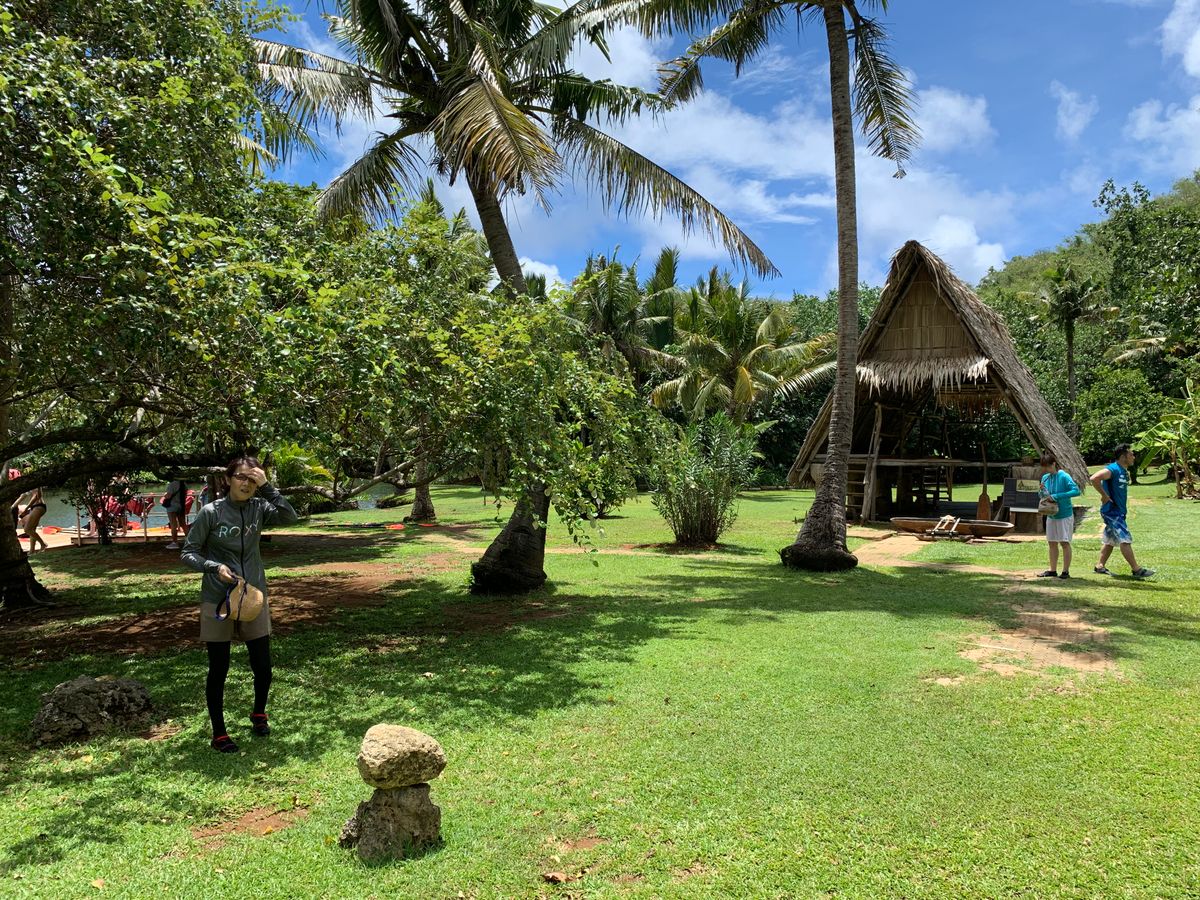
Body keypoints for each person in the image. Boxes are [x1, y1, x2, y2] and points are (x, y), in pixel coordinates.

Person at [180, 456, 297, 753]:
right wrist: (213, 566)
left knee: (263, 666)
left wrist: (268, 487)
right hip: (217, 598)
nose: (246, 483)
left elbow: (290, 517)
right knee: (219, 668)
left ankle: (259, 714)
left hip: (253, 596)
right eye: (241, 477)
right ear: (228, 479)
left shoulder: (260, 508)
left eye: (253, 479)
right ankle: (219, 733)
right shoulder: (211, 512)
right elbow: (188, 552)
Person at [1091, 443, 1154, 579]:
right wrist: (1104, 496)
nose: (1133, 457)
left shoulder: (1123, 471)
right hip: (1112, 511)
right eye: (1131, 454)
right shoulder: (1113, 469)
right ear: (1123, 456)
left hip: (1118, 511)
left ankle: (1099, 566)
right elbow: (1094, 478)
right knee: (1125, 540)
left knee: (1110, 540)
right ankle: (1136, 569)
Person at [1036, 452, 1081, 579]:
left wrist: (1056, 496)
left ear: (1054, 464)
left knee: (1064, 543)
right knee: (1051, 542)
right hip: (1051, 514)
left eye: (1048, 466)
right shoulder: (1045, 477)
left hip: (1064, 514)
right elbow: (1043, 496)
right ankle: (1052, 570)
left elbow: (1076, 491)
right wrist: (1041, 491)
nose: (1046, 469)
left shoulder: (1063, 476)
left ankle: (1065, 571)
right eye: (1044, 467)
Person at [161, 474, 190, 550]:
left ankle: (175, 542)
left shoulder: (172, 484)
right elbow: (185, 495)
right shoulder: (184, 484)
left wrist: (164, 495)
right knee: (183, 524)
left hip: (172, 507)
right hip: (181, 506)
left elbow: (168, 496)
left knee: (173, 525)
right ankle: (190, 541)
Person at [19, 488, 49, 553]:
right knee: (32, 530)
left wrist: (26, 508)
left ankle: (43, 544)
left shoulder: (35, 484)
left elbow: (36, 496)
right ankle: (32, 550)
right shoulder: (29, 485)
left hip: (38, 506)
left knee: (27, 529)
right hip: (35, 507)